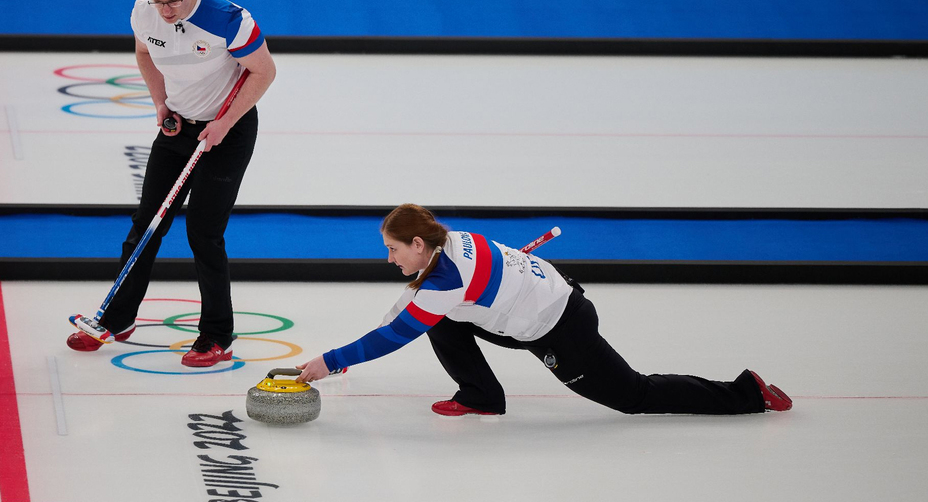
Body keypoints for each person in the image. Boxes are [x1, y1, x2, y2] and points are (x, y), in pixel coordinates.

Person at [296, 204, 793, 416]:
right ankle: (482, 395)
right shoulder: (455, 243)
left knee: (632, 394)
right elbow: (406, 309)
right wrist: (343, 357)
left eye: (394, 250)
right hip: (540, 302)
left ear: (420, 243)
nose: (390, 259)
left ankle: (746, 393)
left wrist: (330, 361)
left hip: (560, 327)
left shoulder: (445, 281)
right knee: (438, 318)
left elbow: (394, 335)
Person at [66, 0, 276, 367]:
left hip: (226, 133)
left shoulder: (228, 20)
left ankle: (217, 336)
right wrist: (160, 104)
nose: (165, 10)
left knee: (204, 233)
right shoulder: (144, 12)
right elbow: (145, 54)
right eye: (157, 0)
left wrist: (225, 123)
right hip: (178, 126)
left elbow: (264, 71)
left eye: (173, 0)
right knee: (147, 223)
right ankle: (117, 318)